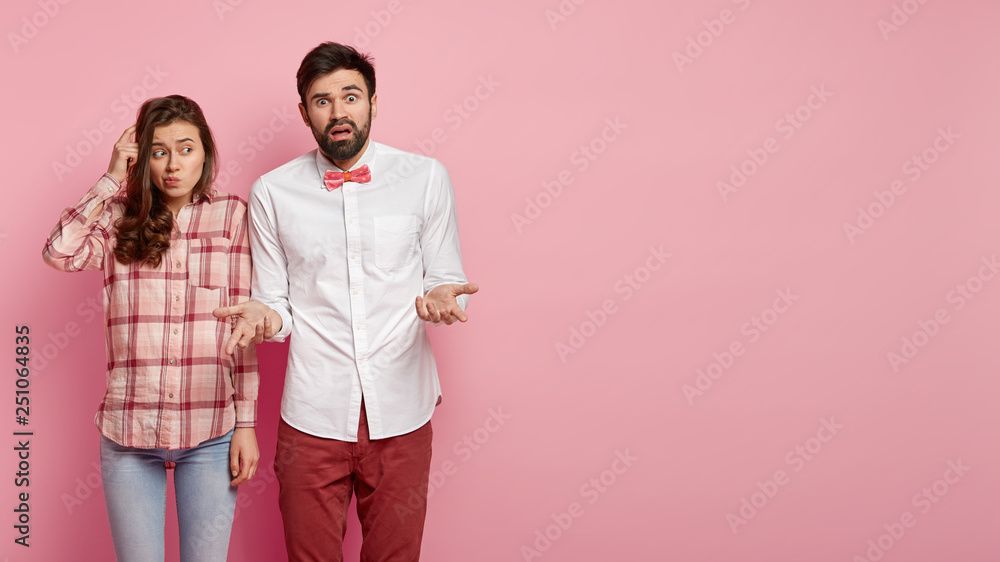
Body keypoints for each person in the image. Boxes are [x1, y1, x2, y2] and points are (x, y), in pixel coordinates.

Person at [214, 42, 478, 561]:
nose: (338, 113)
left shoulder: (425, 178)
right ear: (304, 112)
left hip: (402, 411)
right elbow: (276, 302)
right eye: (322, 100)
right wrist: (266, 316)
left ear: (373, 103)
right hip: (312, 415)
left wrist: (441, 296)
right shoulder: (272, 192)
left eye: (351, 96)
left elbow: (443, 277)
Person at [42, 95, 260, 561]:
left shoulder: (233, 216)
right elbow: (58, 253)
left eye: (186, 149)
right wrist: (109, 180)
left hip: (210, 430)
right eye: (159, 151)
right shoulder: (120, 217)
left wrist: (246, 424)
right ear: (141, 157)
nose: (173, 165)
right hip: (128, 431)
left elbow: (244, 328)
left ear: (206, 151)